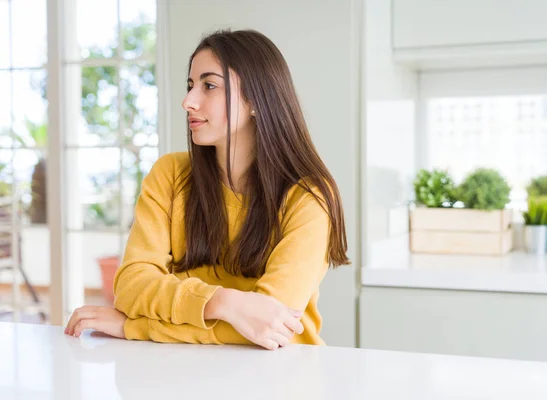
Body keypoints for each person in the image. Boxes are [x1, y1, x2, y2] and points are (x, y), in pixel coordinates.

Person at [64, 29, 350, 350]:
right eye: (190, 86)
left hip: (281, 376)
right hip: (183, 373)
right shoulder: (169, 175)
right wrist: (223, 303)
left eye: (209, 86)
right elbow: (132, 285)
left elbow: (270, 328)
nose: (188, 101)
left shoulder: (308, 197)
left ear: (256, 99)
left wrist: (136, 326)